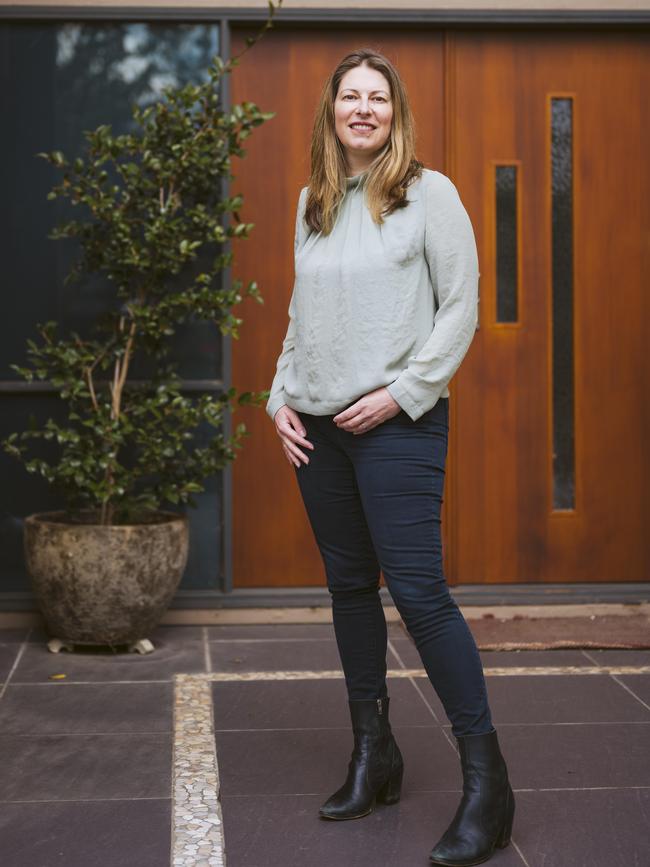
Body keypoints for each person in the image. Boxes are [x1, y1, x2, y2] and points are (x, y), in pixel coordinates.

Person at [265, 47, 514, 866]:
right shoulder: (313, 201)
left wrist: (405, 393)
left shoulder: (427, 194)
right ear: (331, 111)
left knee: (419, 592)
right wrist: (278, 395)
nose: (363, 109)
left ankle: (488, 783)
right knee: (347, 588)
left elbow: (462, 308)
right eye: (350, 97)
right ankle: (375, 752)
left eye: (378, 97)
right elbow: (307, 315)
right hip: (319, 430)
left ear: (395, 113)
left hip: (397, 425)